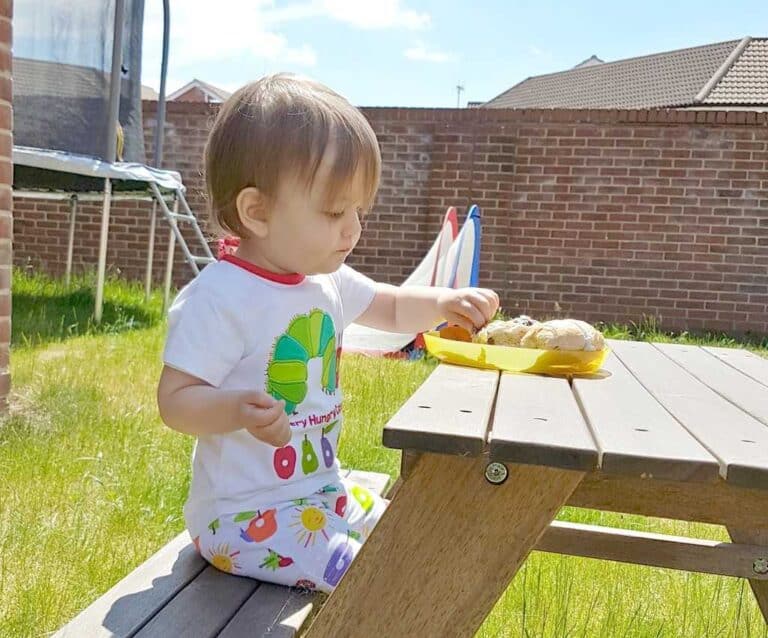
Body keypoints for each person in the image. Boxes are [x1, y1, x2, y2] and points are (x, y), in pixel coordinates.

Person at [156, 73, 499, 593]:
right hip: (240, 517)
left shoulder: (326, 279)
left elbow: (391, 305)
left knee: (411, 533)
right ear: (258, 211)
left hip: (320, 494)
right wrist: (232, 410)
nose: (353, 228)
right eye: (335, 211)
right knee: (365, 574)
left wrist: (443, 302)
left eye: (358, 210)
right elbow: (175, 401)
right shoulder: (222, 297)